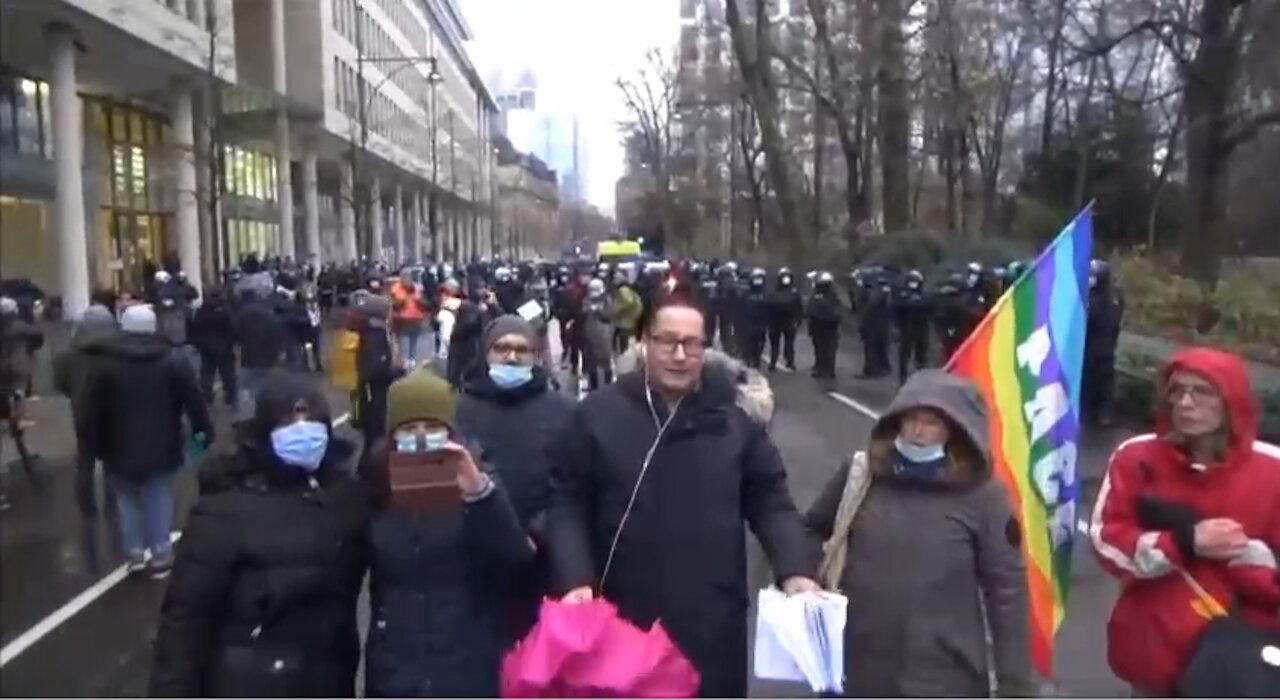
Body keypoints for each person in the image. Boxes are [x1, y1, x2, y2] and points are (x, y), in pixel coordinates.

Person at [546, 294, 818, 698]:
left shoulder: (734, 420)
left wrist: (795, 568)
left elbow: (771, 500)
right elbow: (566, 501)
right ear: (644, 343)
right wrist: (575, 577)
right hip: (622, 620)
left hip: (710, 621)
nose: (679, 355)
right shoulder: (597, 415)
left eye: (692, 344)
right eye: (666, 341)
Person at [806, 370, 1033, 696]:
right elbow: (811, 530)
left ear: (954, 431)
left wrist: (1015, 684)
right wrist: (803, 577)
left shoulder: (985, 496)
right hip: (856, 668)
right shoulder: (863, 474)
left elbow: (1007, 591)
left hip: (946, 677)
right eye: (910, 418)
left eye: (931, 422)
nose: (917, 431)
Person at [149, 371, 370, 697]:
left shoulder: (345, 496)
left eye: (311, 420)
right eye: (289, 422)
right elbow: (185, 621)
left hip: (327, 679)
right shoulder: (223, 511)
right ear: (265, 432)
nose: (302, 431)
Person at [1089, 347, 1280, 696]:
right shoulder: (1137, 457)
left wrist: (1249, 561)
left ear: (1231, 400)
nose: (1185, 403)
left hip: (1239, 660)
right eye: (1176, 391)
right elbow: (1107, 541)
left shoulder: (1273, 470)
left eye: (1202, 392)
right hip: (1153, 649)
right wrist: (1182, 543)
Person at [361, 368, 542, 697]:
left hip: (468, 657)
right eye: (408, 428)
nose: (419, 436)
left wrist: (480, 493)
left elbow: (517, 559)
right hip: (396, 662)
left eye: (431, 427)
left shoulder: (476, 476)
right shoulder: (375, 485)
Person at [85, 305, 212, 576]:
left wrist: (93, 444)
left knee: (126, 498)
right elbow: (193, 399)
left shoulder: (105, 364)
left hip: (116, 443)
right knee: (158, 495)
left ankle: (134, 552)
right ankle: (161, 553)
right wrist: (203, 430)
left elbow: (93, 409)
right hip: (163, 440)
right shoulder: (172, 359)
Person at [54, 302, 118, 519]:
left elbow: (60, 382)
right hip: (112, 410)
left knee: (85, 458)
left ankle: (86, 504)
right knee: (112, 457)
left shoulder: (69, 353)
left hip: (82, 409)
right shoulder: (116, 350)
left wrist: (75, 394)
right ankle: (112, 501)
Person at [189, 285, 238, 407]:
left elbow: (195, 328)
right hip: (224, 348)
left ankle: (207, 397)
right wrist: (233, 341)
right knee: (228, 374)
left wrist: (198, 344)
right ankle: (230, 398)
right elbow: (233, 328)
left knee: (207, 373)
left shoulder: (202, 311)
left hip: (206, 349)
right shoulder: (226, 311)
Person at [578, 278, 615, 391]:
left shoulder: (607, 300)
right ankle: (593, 386)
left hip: (604, 334)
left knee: (605, 361)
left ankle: (609, 386)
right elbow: (580, 314)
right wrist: (585, 311)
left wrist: (597, 311)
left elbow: (610, 315)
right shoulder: (586, 300)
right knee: (591, 362)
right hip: (589, 334)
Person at [805, 272, 843, 379]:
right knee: (827, 348)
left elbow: (809, 310)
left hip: (823, 327)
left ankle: (823, 369)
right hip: (826, 327)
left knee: (823, 349)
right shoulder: (832, 295)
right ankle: (826, 369)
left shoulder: (820, 296)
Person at [389, 270, 429, 367]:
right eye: (405, 277)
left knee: (413, 339)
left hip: (416, 317)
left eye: (409, 277)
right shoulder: (395, 288)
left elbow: (424, 302)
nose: (407, 279)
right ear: (401, 278)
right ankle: (404, 359)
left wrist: (419, 301)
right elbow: (393, 304)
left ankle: (412, 358)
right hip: (402, 318)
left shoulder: (417, 288)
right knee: (403, 339)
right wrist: (402, 301)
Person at [766, 268, 802, 372]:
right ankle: (773, 362)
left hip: (789, 321)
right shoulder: (774, 292)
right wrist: (768, 320)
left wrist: (798, 319)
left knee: (789, 344)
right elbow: (768, 307)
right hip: (775, 321)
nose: (786, 279)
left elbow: (798, 307)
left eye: (787, 276)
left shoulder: (794, 292)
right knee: (775, 344)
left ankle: (790, 362)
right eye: (784, 276)